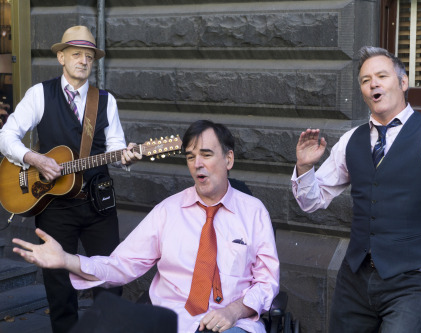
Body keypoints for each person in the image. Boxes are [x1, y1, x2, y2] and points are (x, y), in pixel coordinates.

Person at [292, 46, 421, 333]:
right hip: (355, 279)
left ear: (403, 83)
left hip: (410, 281)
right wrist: (304, 168)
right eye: (365, 80)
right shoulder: (350, 140)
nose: (373, 83)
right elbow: (311, 202)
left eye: (381, 76)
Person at [12, 120, 280, 333]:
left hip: (233, 324)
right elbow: (121, 265)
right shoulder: (167, 211)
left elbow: (267, 282)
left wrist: (234, 311)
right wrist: (67, 260)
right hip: (172, 322)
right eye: (190, 157)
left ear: (228, 160)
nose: (197, 164)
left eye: (207, 154)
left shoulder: (253, 212)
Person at [0, 25, 141, 333]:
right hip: (53, 207)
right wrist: (34, 158)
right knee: (59, 286)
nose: (83, 60)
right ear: (61, 57)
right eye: (76, 54)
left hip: (98, 204)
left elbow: (115, 144)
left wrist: (126, 154)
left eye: (89, 56)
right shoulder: (40, 94)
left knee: (110, 279)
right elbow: (6, 136)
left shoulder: (105, 100)